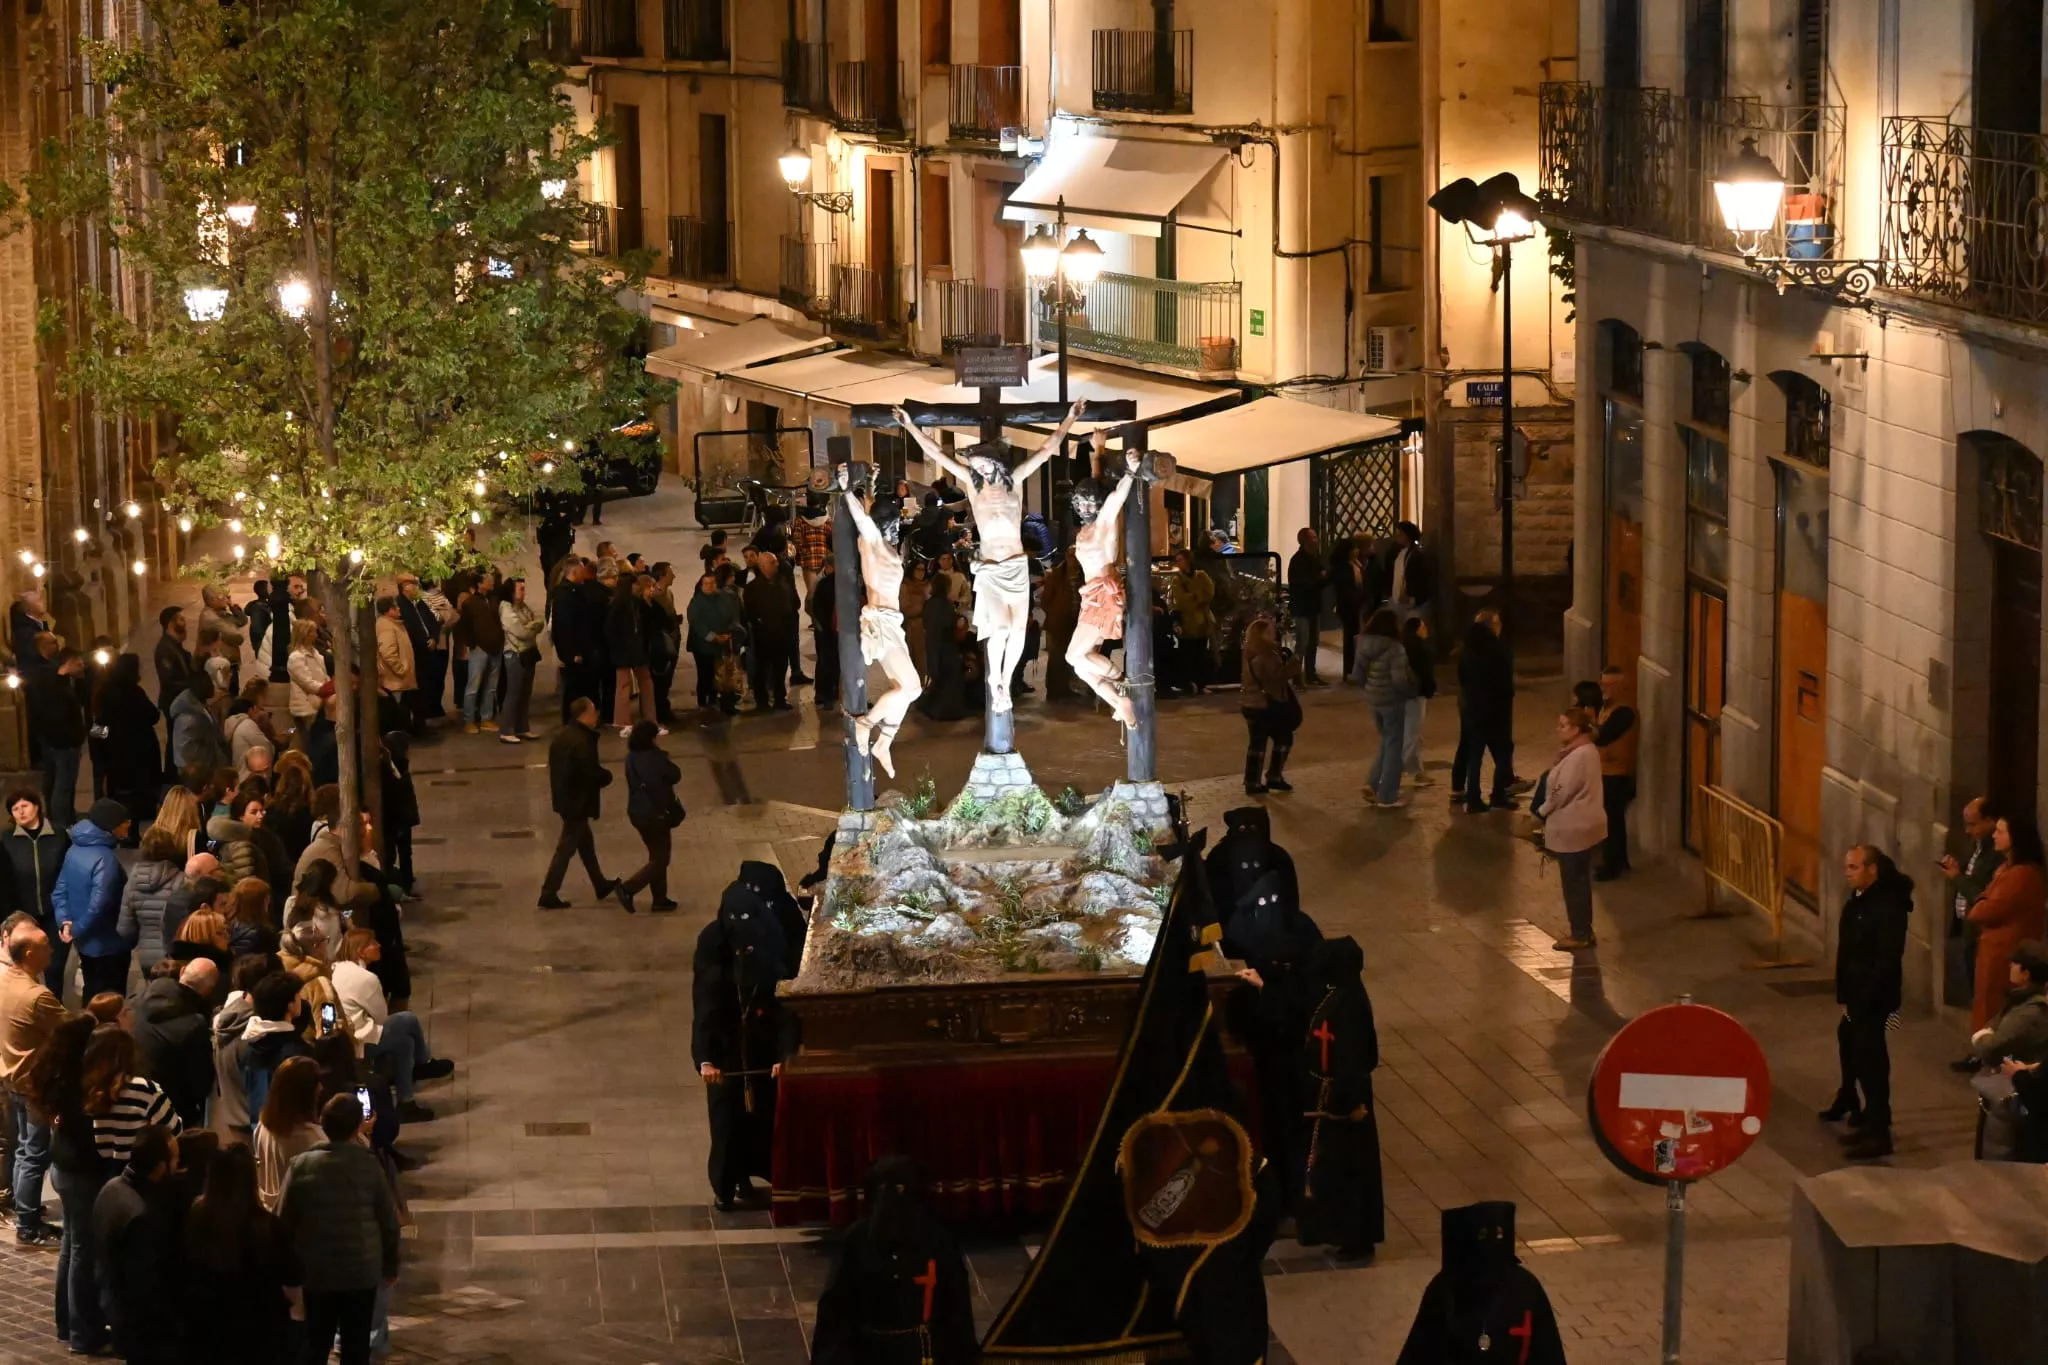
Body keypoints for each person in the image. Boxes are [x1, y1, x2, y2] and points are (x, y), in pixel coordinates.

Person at [892, 401, 1084, 712]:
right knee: (999, 629)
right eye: (975, 464)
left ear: (994, 463)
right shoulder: (971, 483)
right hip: (991, 567)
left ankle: (1005, 680)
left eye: (981, 463)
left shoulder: (1016, 480)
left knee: (1018, 628)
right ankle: (995, 677)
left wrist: (1069, 419)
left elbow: (1046, 450)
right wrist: (910, 426)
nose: (977, 468)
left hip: (1016, 565)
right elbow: (939, 454)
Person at [692, 877, 798, 1210]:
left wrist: (786, 1054)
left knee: (763, 1120)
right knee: (726, 1123)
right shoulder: (713, 951)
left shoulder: (769, 951)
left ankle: (765, 1175)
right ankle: (726, 1184)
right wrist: (705, 1061)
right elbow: (705, 1013)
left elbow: (784, 1013)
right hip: (726, 1055)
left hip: (762, 1054)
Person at [811, 1156, 978, 1365]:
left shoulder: (937, 1241)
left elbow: (956, 1315)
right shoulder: (857, 1241)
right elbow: (835, 1314)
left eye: (899, 1190)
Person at [276, 1092, 401, 1365]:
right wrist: (390, 1266)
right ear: (359, 1126)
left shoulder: (301, 1165)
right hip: (360, 1270)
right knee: (356, 1343)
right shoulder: (368, 1165)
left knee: (316, 1341)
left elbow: (284, 1220)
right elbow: (388, 1222)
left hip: (317, 1271)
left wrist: (288, 1269)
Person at [1225, 867, 1322, 1216]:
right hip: (1268, 1056)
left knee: (1293, 1132)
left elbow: (1305, 998)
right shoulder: (1246, 925)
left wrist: (1268, 989)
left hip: (1294, 1059)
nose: (1269, 908)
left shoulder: (1302, 932)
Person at [1820, 845, 1914, 1160]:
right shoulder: (1862, 899)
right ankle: (1855, 1104)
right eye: (1847, 867)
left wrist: (1866, 994)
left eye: (1854, 867)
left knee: (1872, 1061)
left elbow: (1886, 957)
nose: (1847, 873)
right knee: (1849, 1041)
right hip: (1857, 995)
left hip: (1873, 998)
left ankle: (1879, 1130)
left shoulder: (1886, 907)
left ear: (1872, 869)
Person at [19, 1013, 106, 1350]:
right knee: (82, 1251)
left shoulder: (56, 1076)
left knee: (71, 1248)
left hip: (63, 1168)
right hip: (81, 1171)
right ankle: (82, 1332)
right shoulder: (78, 1083)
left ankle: (66, 1323)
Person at [1296, 935, 1384, 1257]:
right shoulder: (1342, 996)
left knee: (1351, 1170)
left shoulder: (1348, 1005)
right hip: (1335, 1093)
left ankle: (1356, 1237)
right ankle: (1340, 1231)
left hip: (1347, 1101)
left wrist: (1343, 1103)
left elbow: (1357, 1055)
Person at [1396, 1202, 1567, 1365]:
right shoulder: (1444, 1289)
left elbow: (1547, 1352)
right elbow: (1421, 1353)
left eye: (1500, 1234)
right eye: (1483, 1235)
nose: (1493, 1243)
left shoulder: (1526, 1288)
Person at [185, 1141, 304, 1364]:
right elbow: (293, 1279)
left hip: (208, 1328)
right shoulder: (268, 1226)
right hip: (260, 1332)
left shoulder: (197, 1216)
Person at [91, 1123, 186, 1365]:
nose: (178, 1166)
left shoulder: (112, 1188)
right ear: (160, 1167)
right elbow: (146, 1288)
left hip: (113, 1306)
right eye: (175, 1160)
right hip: (139, 1327)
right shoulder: (140, 1215)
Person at [333, 928, 450, 1121]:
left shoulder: (337, 968)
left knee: (404, 1043)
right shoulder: (366, 979)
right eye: (372, 943)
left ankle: (406, 1103)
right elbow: (381, 1017)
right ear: (361, 951)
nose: (378, 946)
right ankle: (424, 1063)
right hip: (361, 1041)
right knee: (407, 1019)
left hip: (347, 1036)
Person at [3, 922, 67, 1244]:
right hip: (34, 1085)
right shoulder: (37, 996)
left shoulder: (4, 981)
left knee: (22, 1149)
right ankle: (28, 1224)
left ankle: (23, 1207)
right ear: (30, 952)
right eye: (46, 945)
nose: (52, 950)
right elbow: (70, 1028)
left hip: (10, 1078)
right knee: (35, 1153)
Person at [1967, 816, 2048, 1034]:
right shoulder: (2006, 869)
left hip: (2004, 952)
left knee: (1994, 1005)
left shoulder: (2020, 874)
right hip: (1995, 949)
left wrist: (1982, 901)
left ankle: (1989, 1050)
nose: (1994, 835)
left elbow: (1985, 910)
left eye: (2000, 832)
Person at [1537, 709, 1606, 951]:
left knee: (1574, 882)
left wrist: (1543, 810)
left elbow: (1562, 790)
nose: (1559, 729)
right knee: (1579, 880)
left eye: (1564, 725)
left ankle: (1581, 933)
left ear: (1577, 729)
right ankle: (1582, 930)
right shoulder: (1584, 752)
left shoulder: (1579, 756)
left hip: (1574, 827)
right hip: (1582, 825)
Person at [539, 698, 616, 910]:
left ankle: (600, 883)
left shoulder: (562, 736)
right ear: (584, 714)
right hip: (578, 802)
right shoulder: (582, 741)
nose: (596, 715)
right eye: (593, 711)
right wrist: (606, 777)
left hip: (565, 799)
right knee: (567, 847)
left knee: (586, 845)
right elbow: (589, 771)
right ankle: (549, 891)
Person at [54, 799, 132, 1001]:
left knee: (91, 994)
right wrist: (77, 929)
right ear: (111, 825)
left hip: (86, 943)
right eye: (125, 822)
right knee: (110, 999)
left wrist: (66, 924)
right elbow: (100, 905)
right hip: (109, 944)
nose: (129, 825)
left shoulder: (74, 849)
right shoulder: (105, 859)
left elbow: (59, 891)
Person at [1943, 796, 2004, 1050]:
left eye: (1973, 824)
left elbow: (1981, 893)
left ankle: (1985, 1049)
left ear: (1991, 822)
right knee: (1975, 995)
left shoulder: (1996, 855)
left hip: (1982, 933)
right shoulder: (1976, 845)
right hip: (1967, 928)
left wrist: (1957, 878)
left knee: (1984, 997)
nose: (1968, 831)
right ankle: (1979, 1046)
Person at [129, 957, 218, 1127]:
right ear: (208, 990)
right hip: (172, 1108)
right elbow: (200, 1082)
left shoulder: (138, 999)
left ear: (183, 971)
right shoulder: (194, 1024)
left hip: (134, 1095)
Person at [82, 1022, 183, 1166]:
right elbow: (174, 1130)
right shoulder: (145, 1089)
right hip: (143, 1170)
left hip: (110, 1170)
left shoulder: (94, 1091)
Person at [6, 790, 71, 996]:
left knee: (55, 967)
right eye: (15, 809)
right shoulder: (6, 840)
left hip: (55, 913)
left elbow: (68, 873)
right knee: (23, 969)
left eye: (24, 806)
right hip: (23, 915)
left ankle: (54, 1009)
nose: (20, 812)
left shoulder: (60, 835)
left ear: (36, 806)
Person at [615, 722, 684, 915]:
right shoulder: (654, 758)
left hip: (637, 812)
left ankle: (660, 899)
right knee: (661, 859)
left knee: (656, 855)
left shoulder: (631, 757)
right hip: (655, 814)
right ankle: (628, 888)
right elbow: (674, 775)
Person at [1352, 608, 1415, 809]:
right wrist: (1409, 691)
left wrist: (1370, 690)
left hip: (1374, 700)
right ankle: (1388, 795)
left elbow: (1357, 674)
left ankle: (1372, 783)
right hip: (1392, 701)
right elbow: (1400, 680)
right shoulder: (1395, 648)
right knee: (1395, 747)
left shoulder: (1363, 643)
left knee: (1387, 742)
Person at [1454, 608, 1516, 813]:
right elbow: (1504, 682)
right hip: (1495, 709)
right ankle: (1498, 794)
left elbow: (1462, 679)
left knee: (1475, 754)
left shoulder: (1467, 650)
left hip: (1473, 708)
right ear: (1493, 625)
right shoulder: (1497, 649)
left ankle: (1473, 797)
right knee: (1503, 752)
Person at [92, 654, 160, 832]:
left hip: (115, 752)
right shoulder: (134, 693)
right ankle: (135, 826)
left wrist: (102, 748)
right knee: (137, 791)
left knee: (121, 792)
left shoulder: (104, 692)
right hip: (138, 750)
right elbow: (153, 716)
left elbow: (99, 725)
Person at [253, 1054, 325, 1210]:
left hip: (269, 1214)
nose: (321, 1088)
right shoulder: (313, 1138)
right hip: (298, 1219)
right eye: (316, 1082)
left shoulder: (262, 1128)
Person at [1587, 665, 1639, 878]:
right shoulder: (1608, 708)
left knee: (1613, 820)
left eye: (1610, 684)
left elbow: (1604, 736)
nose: (1605, 689)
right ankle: (1619, 861)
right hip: (1606, 771)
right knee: (1611, 818)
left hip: (1617, 774)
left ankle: (1613, 865)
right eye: (1603, 684)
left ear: (1621, 686)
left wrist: (1588, 724)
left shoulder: (1624, 711)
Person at [26, 647, 87, 827]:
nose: (82, 666)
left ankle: (63, 818)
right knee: (63, 786)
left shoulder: (59, 682)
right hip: (63, 745)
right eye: (79, 663)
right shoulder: (57, 687)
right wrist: (72, 740)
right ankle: (60, 825)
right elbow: (59, 717)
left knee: (54, 783)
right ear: (69, 663)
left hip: (53, 743)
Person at [1240, 617, 1300, 796]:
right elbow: (1273, 679)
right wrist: (1292, 667)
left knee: (1269, 740)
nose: (1274, 631)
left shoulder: (1254, 650)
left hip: (1253, 702)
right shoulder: (1263, 653)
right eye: (1270, 629)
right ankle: (1260, 780)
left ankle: (1262, 778)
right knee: (1270, 740)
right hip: (1262, 704)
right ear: (1262, 633)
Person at [742, 552, 796, 712]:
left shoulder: (782, 582)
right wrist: (759, 623)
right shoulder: (753, 588)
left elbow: (792, 602)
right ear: (764, 566)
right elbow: (749, 612)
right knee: (762, 669)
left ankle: (780, 698)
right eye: (773, 563)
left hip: (782, 633)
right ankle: (762, 701)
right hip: (763, 636)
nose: (777, 565)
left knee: (780, 668)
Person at [687, 567, 741, 713]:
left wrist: (730, 633)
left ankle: (720, 701)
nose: (710, 586)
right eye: (707, 583)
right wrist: (713, 636)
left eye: (712, 583)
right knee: (705, 674)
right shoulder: (697, 602)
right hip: (703, 647)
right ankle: (703, 702)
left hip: (722, 644)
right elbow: (697, 623)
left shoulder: (724, 598)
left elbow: (732, 616)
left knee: (723, 675)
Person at [497, 576, 543, 742]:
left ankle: (522, 727)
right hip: (515, 654)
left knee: (525, 693)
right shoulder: (506, 608)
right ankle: (507, 730)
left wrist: (532, 626)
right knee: (514, 693)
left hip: (528, 652)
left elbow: (538, 621)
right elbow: (521, 632)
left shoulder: (523, 607)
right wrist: (531, 627)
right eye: (521, 589)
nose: (524, 592)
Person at [917, 585, 971, 722]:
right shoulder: (945, 605)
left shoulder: (929, 604)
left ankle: (934, 707)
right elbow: (949, 623)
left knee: (939, 678)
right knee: (950, 678)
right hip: (945, 646)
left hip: (933, 645)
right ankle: (946, 710)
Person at [1167, 548, 1217, 691]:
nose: (1179, 563)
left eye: (1181, 560)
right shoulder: (1177, 580)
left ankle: (1201, 684)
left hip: (1203, 622)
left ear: (1188, 560)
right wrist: (1198, 596)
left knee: (1201, 653)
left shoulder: (1201, 575)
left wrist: (1194, 597)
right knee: (1187, 654)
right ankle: (1188, 684)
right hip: (1187, 623)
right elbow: (1181, 601)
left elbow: (1210, 593)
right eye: (1177, 561)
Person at [1398, 616, 1436, 786]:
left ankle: (1416, 771)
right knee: (1412, 734)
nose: (1426, 629)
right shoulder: (1419, 648)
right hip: (1416, 694)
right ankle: (1396, 772)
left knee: (1410, 734)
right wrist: (1430, 690)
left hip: (1402, 694)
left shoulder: (1401, 646)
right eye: (1423, 626)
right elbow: (1426, 673)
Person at [284, 618, 328, 739]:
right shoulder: (296, 657)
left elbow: (323, 674)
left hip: (320, 702)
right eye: (312, 632)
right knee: (309, 739)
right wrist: (326, 689)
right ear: (304, 635)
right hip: (306, 706)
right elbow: (306, 682)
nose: (315, 634)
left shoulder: (316, 653)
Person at [1384, 520, 1435, 623]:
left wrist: (1411, 594)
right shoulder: (1395, 553)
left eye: (1401, 534)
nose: (1397, 537)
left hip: (1413, 602)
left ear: (1408, 536)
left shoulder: (1417, 555)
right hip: (1396, 600)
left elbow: (1421, 578)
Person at [152, 605, 194, 712]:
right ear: (171, 623)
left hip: (182, 699)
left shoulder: (175, 645)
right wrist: (193, 686)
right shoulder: (165, 649)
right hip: (174, 702)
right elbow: (169, 681)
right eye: (181, 619)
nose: (184, 623)